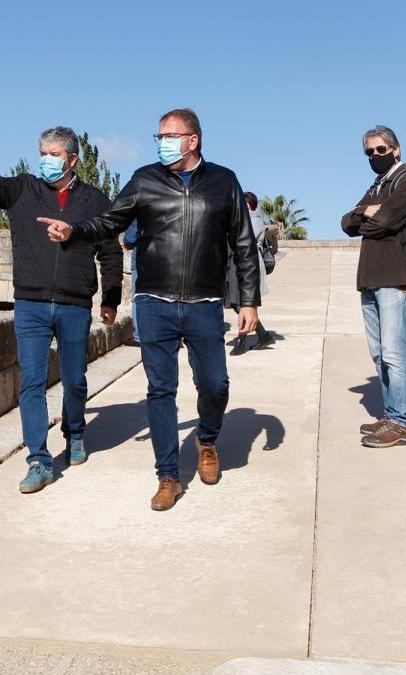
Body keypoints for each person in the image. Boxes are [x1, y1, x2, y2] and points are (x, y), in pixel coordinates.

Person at [40, 108, 261, 511]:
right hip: (154, 303)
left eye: (169, 135)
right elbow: (110, 221)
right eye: (159, 136)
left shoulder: (224, 181)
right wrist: (75, 231)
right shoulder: (145, 179)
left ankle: (207, 440)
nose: (161, 142)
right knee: (161, 390)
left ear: (193, 140)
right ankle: (168, 475)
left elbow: (243, 243)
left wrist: (249, 300)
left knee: (216, 384)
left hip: (205, 303)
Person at [0, 127, 123, 493]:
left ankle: (75, 432)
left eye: (55, 153)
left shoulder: (94, 201)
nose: (46, 159)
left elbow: (110, 251)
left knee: (75, 379)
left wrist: (110, 299)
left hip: (75, 305)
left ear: (73, 159)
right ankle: (38, 460)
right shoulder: (22, 190)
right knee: (32, 383)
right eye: (43, 152)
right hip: (30, 304)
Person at [341, 125, 406, 448]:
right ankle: (390, 415)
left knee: (393, 350)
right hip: (371, 279)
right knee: (378, 353)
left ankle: (401, 423)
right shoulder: (377, 186)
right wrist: (364, 212)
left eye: (380, 150)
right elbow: (347, 222)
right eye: (369, 152)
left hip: (395, 277)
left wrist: (368, 218)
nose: (375, 156)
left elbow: (384, 222)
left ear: (396, 149)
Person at [227, 191, 275, 356]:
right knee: (237, 303)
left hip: (250, 265)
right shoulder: (245, 219)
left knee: (242, 303)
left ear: (247, 205)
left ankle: (242, 340)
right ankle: (263, 335)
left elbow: (243, 239)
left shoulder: (254, 220)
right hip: (239, 264)